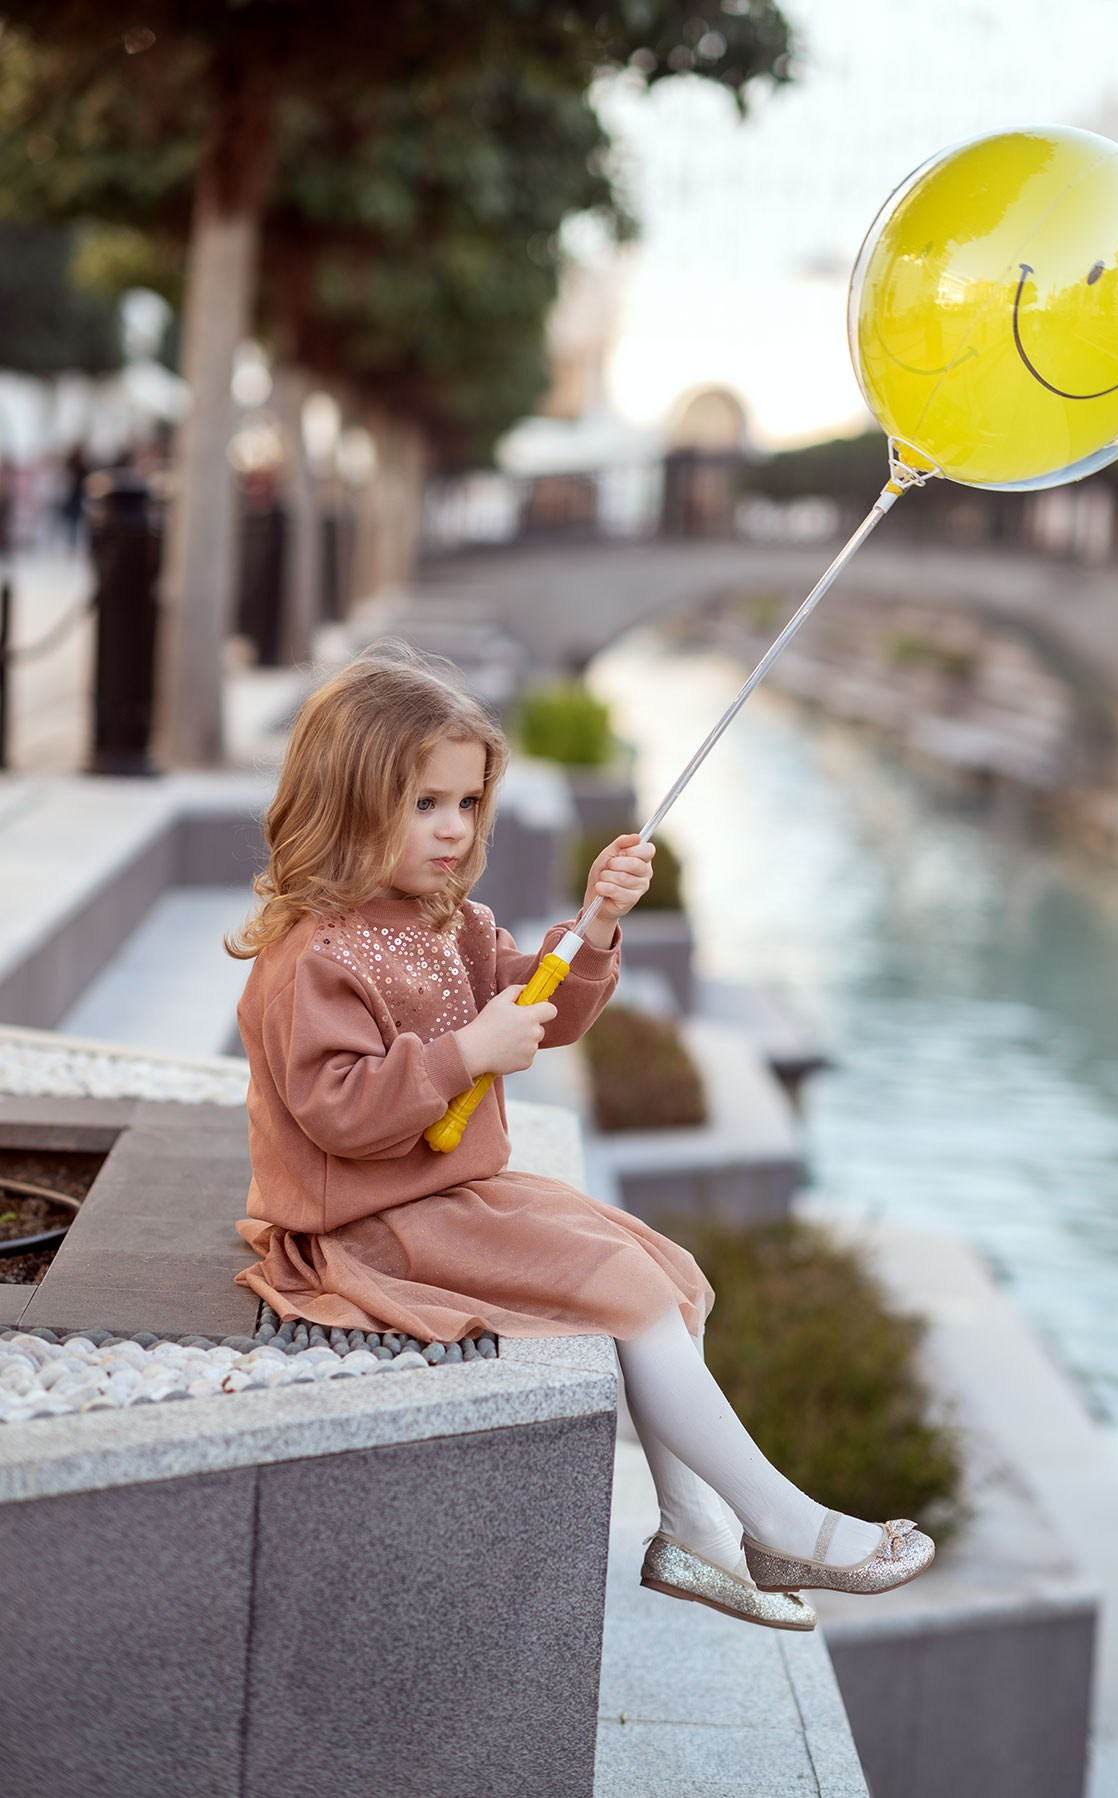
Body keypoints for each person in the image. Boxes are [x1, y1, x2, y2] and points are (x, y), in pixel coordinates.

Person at [228, 642, 934, 1628]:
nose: (451, 828)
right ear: (345, 800)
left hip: (445, 1193)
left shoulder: (448, 923)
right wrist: (466, 1050)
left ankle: (693, 1529)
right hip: (366, 1220)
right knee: (629, 1295)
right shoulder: (316, 956)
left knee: (667, 1270)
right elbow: (336, 1106)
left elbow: (545, 1007)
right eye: (424, 803)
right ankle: (784, 1520)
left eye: (467, 805)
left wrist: (596, 926)